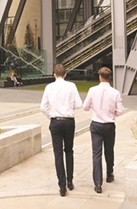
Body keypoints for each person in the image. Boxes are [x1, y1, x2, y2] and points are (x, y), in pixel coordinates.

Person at [40, 64, 83, 197]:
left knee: (58, 153)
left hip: (56, 121)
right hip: (69, 121)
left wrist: (51, 115)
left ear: (54, 74)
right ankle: (70, 180)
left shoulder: (49, 87)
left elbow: (43, 107)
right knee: (69, 150)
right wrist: (69, 108)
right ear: (65, 74)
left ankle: (62, 185)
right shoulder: (71, 86)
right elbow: (80, 104)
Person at [83, 67, 125, 194]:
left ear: (100, 76)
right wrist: (113, 113)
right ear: (109, 77)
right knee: (109, 150)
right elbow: (120, 110)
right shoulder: (115, 92)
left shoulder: (92, 90)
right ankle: (109, 174)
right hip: (109, 124)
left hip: (96, 124)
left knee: (96, 154)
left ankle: (97, 183)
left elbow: (85, 107)